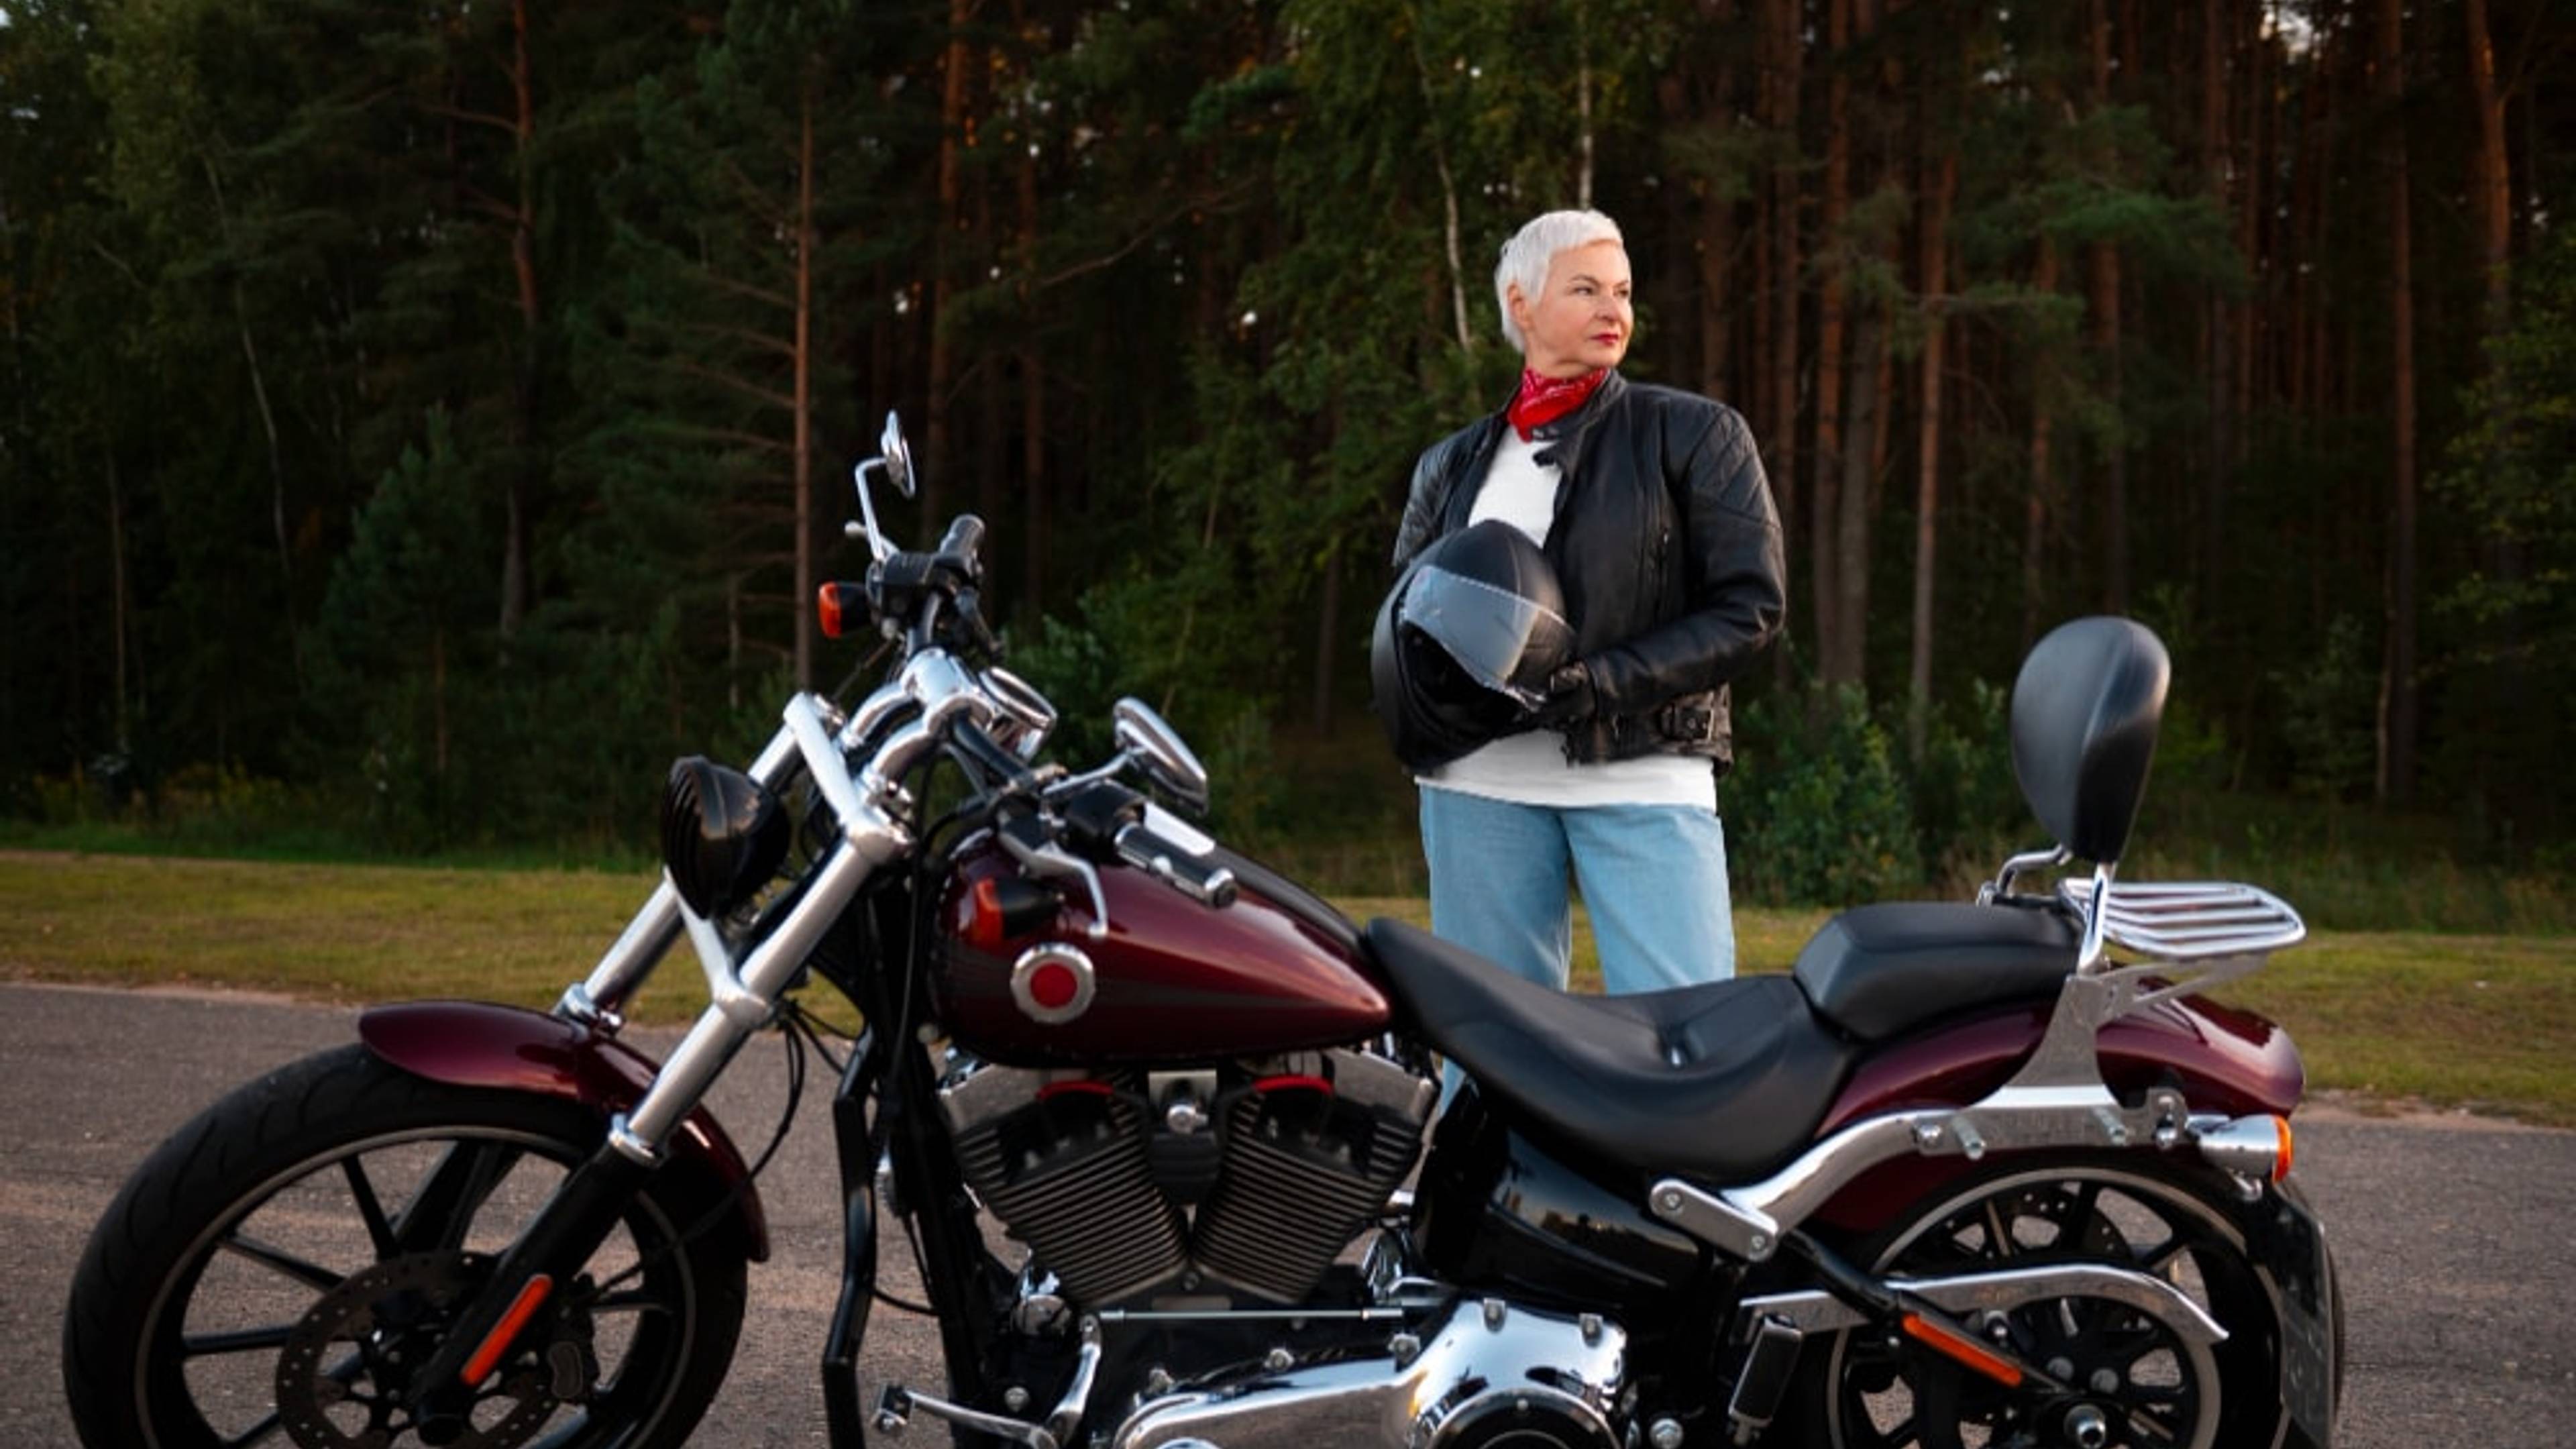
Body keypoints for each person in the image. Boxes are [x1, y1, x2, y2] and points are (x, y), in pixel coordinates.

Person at [1390, 208, 1786, 999]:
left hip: (1642, 777)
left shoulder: (1697, 435)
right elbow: (1407, 617)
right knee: (1492, 1053)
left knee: (1686, 1040)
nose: (1615, 311)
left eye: (1624, 292)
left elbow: (1750, 608)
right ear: (1521, 302)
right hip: (1478, 790)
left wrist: (1603, 683)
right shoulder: (1452, 464)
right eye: (1586, 289)